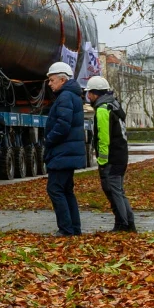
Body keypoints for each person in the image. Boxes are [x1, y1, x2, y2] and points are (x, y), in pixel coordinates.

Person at [43, 61, 87, 237]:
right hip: (68, 152)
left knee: (55, 189)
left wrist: (49, 139)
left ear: (62, 79)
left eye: (52, 79)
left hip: (63, 152)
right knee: (66, 190)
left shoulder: (65, 97)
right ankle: (74, 228)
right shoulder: (73, 96)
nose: (49, 83)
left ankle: (66, 229)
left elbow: (63, 124)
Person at [86, 76, 136, 232]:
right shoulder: (114, 105)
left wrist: (102, 160)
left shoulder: (102, 109)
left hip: (112, 158)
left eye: (89, 93)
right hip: (121, 155)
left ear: (95, 93)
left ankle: (123, 224)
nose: (88, 97)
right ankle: (128, 223)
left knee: (114, 191)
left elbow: (103, 137)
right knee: (119, 190)